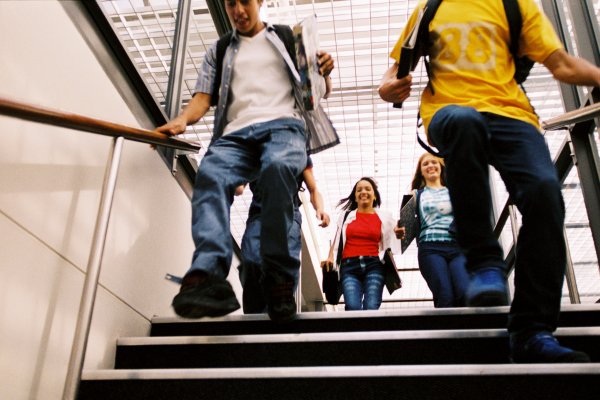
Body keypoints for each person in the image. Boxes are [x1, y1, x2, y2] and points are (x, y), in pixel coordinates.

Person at [379, 0, 600, 362]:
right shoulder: (430, 8)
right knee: (466, 123)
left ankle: (531, 332)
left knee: (545, 194)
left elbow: (560, 63)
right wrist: (387, 89)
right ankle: (484, 263)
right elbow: (394, 72)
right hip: (449, 111)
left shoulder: (517, 6)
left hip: (511, 113)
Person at [155, 0, 337, 323]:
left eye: (245, 2)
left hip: (284, 126)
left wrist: (324, 72)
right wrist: (183, 119)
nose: (238, 10)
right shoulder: (221, 49)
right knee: (210, 172)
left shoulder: (285, 37)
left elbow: (316, 91)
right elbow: (203, 98)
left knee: (278, 169)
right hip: (235, 135)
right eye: (230, 4)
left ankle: (279, 276)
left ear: (260, 2)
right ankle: (209, 275)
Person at [236, 157, 330, 313]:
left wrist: (320, 208)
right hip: (260, 214)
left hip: (288, 215)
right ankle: (255, 311)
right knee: (251, 260)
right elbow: (239, 187)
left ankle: (279, 305)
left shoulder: (300, 155)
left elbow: (313, 190)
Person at [396, 153, 468, 308]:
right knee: (445, 295)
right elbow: (404, 223)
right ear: (421, 171)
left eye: (434, 162)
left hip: (457, 247)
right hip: (431, 249)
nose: (430, 166)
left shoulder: (454, 191)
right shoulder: (416, 194)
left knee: (464, 291)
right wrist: (399, 229)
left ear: (441, 167)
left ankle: (466, 330)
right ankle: (446, 331)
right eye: (425, 164)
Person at [321, 177, 399, 310]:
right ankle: (356, 330)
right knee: (352, 306)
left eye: (368, 189)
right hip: (349, 267)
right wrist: (330, 258)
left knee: (371, 306)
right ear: (355, 197)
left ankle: (368, 330)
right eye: (359, 190)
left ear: (374, 196)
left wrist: (399, 233)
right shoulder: (345, 216)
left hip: (374, 265)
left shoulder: (385, 217)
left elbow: (395, 239)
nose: (363, 192)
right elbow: (337, 240)